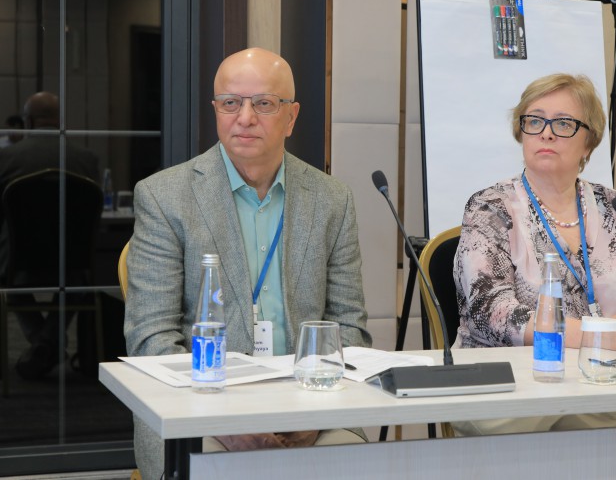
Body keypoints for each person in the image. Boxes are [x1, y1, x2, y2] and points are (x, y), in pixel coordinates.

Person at [123, 48, 371, 480]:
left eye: (264, 103)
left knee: (366, 468)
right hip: (197, 406)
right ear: (216, 110)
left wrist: (312, 415)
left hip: (311, 402)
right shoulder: (164, 197)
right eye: (230, 103)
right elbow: (151, 339)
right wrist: (227, 421)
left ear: (291, 117)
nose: (245, 118)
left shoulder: (332, 200)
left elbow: (349, 327)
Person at [452, 73, 616, 435]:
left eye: (563, 123)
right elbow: (493, 315)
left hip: (611, 379)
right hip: (511, 385)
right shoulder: (490, 208)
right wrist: (605, 334)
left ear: (589, 142)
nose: (546, 133)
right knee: (584, 431)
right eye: (534, 121)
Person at [0, 92, 99, 379]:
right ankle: (48, 343)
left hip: (17, 263)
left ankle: (43, 344)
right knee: (80, 284)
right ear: (60, 121)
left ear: (28, 121)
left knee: (8, 285)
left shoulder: (6, 158)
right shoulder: (86, 160)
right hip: (74, 263)